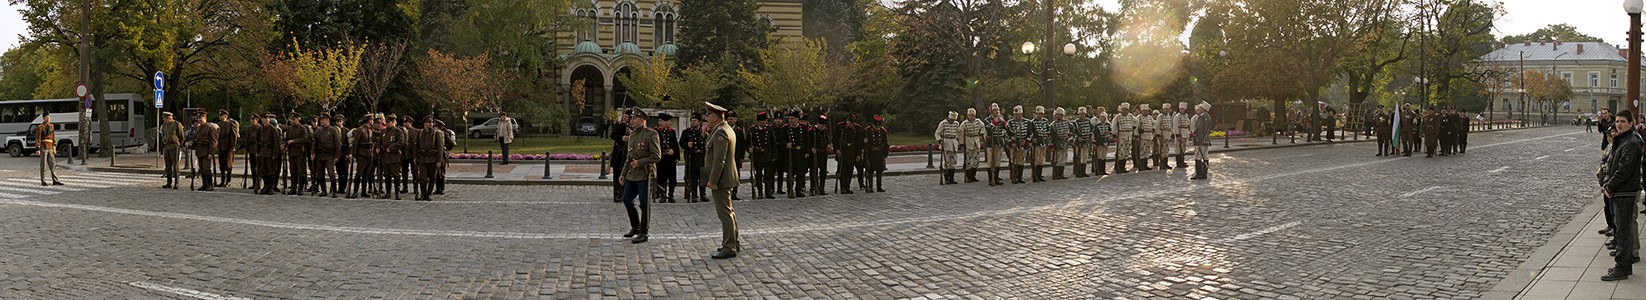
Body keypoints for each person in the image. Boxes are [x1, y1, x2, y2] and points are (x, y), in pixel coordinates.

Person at [1601, 110, 1642, 281]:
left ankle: (1622, 267)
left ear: (1631, 123)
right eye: (1617, 121)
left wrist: (1609, 186)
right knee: (1622, 229)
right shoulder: (1624, 139)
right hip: (1621, 191)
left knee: (1623, 231)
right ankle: (1624, 265)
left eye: (1623, 121)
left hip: (1624, 192)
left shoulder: (1631, 142)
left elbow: (1624, 171)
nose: (1618, 124)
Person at [703, 102, 740, 259]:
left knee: (724, 213)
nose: (706, 118)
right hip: (726, 177)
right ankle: (733, 241)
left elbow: (719, 160)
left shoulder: (721, 133)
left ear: (713, 117)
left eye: (708, 116)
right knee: (729, 211)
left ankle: (729, 246)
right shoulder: (723, 129)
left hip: (722, 179)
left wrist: (712, 180)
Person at [618, 109, 660, 243]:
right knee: (627, 199)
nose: (632, 121)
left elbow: (656, 156)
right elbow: (629, 157)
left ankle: (644, 232)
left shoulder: (651, 134)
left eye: (634, 118)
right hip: (632, 174)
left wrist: (640, 162)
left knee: (644, 204)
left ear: (642, 119)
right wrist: (623, 173)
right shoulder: (633, 135)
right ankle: (635, 226)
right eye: (631, 118)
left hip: (645, 174)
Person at [312, 115, 343, 197]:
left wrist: (337, 156)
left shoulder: (333, 131)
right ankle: (323, 191)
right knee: (320, 174)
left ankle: (334, 191)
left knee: (331, 173)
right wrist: (313, 153)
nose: (322, 121)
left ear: (328, 120)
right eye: (321, 120)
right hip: (320, 154)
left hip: (330, 154)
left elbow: (338, 144)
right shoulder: (318, 131)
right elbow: (314, 144)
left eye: (324, 120)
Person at [348, 114, 378, 199]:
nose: (373, 122)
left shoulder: (370, 130)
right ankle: (355, 191)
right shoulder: (360, 130)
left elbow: (378, 134)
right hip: (361, 154)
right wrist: (354, 154)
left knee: (366, 173)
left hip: (369, 154)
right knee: (359, 173)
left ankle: (364, 191)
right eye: (372, 120)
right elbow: (356, 143)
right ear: (369, 120)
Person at [255, 112, 285, 195]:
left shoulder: (273, 129)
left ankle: (271, 187)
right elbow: (258, 141)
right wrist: (258, 152)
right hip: (262, 152)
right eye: (264, 118)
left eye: (267, 118)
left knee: (271, 171)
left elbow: (276, 143)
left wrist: (275, 154)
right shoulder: (260, 129)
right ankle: (266, 186)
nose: (266, 120)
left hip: (270, 152)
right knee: (263, 171)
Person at [378, 114, 406, 200]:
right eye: (386, 122)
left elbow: (401, 142)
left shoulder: (398, 131)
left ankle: (397, 193)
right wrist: (379, 148)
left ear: (393, 122)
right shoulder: (383, 132)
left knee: (396, 175)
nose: (387, 123)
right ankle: (388, 192)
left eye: (389, 122)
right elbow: (380, 143)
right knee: (387, 175)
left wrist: (391, 148)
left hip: (394, 157)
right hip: (385, 157)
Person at [189, 111, 219, 191]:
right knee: (201, 168)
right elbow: (196, 138)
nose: (199, 120)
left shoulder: (210, 127)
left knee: (206, 168)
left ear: (205, 118)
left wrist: (211, 152)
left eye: (200, 118)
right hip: (200, 150)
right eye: (198, 118)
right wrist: (192, 143)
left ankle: (210, 184)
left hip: (206, 151)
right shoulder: (199, 128)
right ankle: (204, 184)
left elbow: (213, 141)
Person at [654, 113, 681, 203]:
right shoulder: (657, 132)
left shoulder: (672, 132)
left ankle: (671, 195)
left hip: (671, 159)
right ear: (664, 122)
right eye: (669, 121)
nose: (670, 123)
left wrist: (675, 153)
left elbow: (676, 145)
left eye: (670, 121)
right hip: (662, 158)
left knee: (672, 178)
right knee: (662, 177)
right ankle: (663, 195)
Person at [750, 112, 776, 198]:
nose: (766, 122)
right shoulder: (753, 130)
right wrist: (750, 149)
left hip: (767, 154)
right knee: (759, 175)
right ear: (759, 121)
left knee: (768, 175)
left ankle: (768, 192)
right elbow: (747, 142)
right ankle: (760, 192)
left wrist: (774, 155)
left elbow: (773, 142)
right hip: (758, 156)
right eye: (764, 120)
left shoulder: (769, 129)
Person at [786, 112, 811, 197]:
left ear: (797, 119)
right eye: (789, 119)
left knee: (801, 172)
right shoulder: (786, 128)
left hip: (800, 152)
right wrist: (786, 144)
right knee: (790, 172)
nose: (790, 120)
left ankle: (798, 189)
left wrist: (807, 152)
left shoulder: (803, 127)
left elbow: (807, 140)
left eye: (792, 119)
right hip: (791, 153)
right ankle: (790, 189)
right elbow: (781, 139)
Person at [836, 114, 864, 192]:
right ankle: (843, 187)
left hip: (852, 152)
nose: (851, 125)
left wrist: (858, 154)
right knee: (842, 170)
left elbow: (859, 143)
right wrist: (837, 149)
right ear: (847, 120)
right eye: (850, 122)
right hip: (843, 151)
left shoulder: (857, 129)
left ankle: (847, 186)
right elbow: (835, 139)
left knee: (850, 170)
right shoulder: (840, 127)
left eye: (852, 123)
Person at [984, 104, 1010, 186]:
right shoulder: (987, 120)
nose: (997, 112)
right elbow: (988, 129)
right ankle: (991, 178)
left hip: (999, 142)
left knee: (998, 161)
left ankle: (996, 177)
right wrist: (995, 121)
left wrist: (1004, 122)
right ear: (991, 111)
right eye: (995, 110)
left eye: (997, 110)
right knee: (990, 161)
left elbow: (1008, 128)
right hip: (991, 142)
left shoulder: (1001, 119)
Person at [681, 114, 704, 202]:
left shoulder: (704, 131)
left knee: (703, 175)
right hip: (692, 157)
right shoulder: (687, 132)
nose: (693, 122)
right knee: (693, 176)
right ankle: (694, 194)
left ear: (699, 122)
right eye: (692, 120)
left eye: (694, 121)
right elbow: (681, 142)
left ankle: (703, 194)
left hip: (702, 156)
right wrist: (687, 144)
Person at [35, 114, 62, 186]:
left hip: (50, 146)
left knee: (53, 164)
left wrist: (54, 144)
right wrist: (38, 147)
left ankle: (55, 180)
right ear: (44, 118)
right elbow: (38, 137)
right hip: (43, 146)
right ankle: (43, 181)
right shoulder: (40, 127)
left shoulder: (51, 126)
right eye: (47, 117)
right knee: (43, 165)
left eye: (49, 117)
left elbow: (53, 135)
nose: (49, 118)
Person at [1006, 106, 1031, 184]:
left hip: (1023, 143)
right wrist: (1011, 142)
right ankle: (1014, 176)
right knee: (1013, 160)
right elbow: (1007, 134)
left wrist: (1026, 141)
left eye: (1018, 114)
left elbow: (1030, 133)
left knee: (1021, 161)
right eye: (1015, 114)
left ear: (1021, 114)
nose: (1016, 116)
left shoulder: (1027, 122)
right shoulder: (1010, 122)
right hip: (1014, 143)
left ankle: (1020, 176)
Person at [609, 113, 631, 202]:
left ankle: (624, 193)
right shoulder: (620, 125)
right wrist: (622, 138)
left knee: (626, 174)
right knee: (618, 173)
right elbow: (613, 135)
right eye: (624, 116)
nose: (625, 118)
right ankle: (617, 194)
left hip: (628, 153)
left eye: (627, 116)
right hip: (619, 153)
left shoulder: (632, 127)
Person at [160, 112, 185, 189]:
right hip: (167, 146)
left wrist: (180, 145)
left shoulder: (177, 124)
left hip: (175, 146)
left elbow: (182, 136)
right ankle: (169, 182)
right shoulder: (164, 125)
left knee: (175, 165)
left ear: (170, 118)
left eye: (165, 118)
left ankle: (176, 182)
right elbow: (163, 134)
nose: (165, 119)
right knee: (168, 166)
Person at [959, 109, 985, 183]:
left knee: (976, 160)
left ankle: (973, 176)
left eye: (973, 115)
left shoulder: (978, 121)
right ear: (968, 115)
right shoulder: (964, 123)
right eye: (970, 115)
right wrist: (962, 144)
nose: (971, 117)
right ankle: (968, 176)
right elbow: (961, 134)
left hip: (976, 140)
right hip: (968, 141)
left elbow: (983, 127)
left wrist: (981, 134)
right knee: (968, 160)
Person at [935, 111, 961, 185]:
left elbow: (958, 132)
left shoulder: (956, 124)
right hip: (946, 142)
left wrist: (958, 139)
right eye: (951, 120)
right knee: (947, 162)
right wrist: (940, 140)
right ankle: (947, 178)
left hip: (954, 142)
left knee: (953, 161)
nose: (952, 121)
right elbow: (937, 133)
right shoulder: (943, 123)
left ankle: (952, 178)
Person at [215, 110, 239, 187]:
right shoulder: (219, 125)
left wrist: (232, 146)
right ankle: (222, 181)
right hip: (221, 147)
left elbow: (233, 136)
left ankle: (228, 181)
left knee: (228, 165)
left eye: (221, 115)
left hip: (228, 147)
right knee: (221, 165)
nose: (220, 117)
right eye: (220, 115)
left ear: (225, 116)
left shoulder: (230, 124)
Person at [866, 115, 889, 192]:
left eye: (878, 126)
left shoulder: (883, 131)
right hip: (871, 152)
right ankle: (870, 186)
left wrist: (885, 154)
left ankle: (879, 186)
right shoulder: (867, 131)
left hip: (879, 153)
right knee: (870, 170)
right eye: (875, 126)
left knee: (879, 170)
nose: (877, 127)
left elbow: (885, 144)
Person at [1191, 102, 1212, 180]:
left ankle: (1200, 173)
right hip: (1204, 139)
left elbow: (1201, 130)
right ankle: (1203, 173)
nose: (1198, 109)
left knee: (1198, 156)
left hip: (1201, 140)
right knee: (1204, 156)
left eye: (1200, 108)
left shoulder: (1203, 117)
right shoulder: (1206, 117)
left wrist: (1198, 139)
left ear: (1204, 109)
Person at [1049, 107, 1071, 180]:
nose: (1058, 116)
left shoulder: (1066, 122)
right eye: (1057, 114)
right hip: (1057, 143)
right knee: (1057, 160)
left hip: (1064, 143)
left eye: (1060, 114)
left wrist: (1070, 137)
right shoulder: (1053, 125)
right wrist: (1051, 145)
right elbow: (1050, 136)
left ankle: (1061, 174)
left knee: (1063, 160)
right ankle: (1056, 174)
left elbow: (1073, 129)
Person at [1030, 106, 1051, 182]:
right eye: (1038, 114)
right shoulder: (1032, 122)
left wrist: (1047, 135)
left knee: (1041, 159)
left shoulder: (1045, 121)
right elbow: (1030, 132)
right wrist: (1032, 139)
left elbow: (1048, 129)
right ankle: (1035, 175)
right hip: (1036, 143)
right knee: (1036, 159)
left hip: (1043, 142)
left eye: (1041, 114)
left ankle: (1039, 174)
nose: (1040, 115)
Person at [1071, 107, 1094, 178]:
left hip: (1086, 141)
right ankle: (1078, 172)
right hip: (1078, 142)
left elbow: (1092, 129)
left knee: (1085, 157)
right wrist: (1077, 137)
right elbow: (1073, 132)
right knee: (1079, 157)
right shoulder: (1075, 123)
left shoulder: (1088, 121)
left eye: (1083, 114)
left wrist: (1090, 135)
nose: (1081, 115)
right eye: (1080, 114)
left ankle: (1083, 171)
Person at [1092, 108, 1112, 176]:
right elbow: (1094, 135)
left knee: (1104, 156)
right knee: (1099, 157)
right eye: (1101, 117)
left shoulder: (1108, 125)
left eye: (1104, 117)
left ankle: (1103, 170)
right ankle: (1099, 170)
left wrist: (1111, 137)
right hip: (1099, 142)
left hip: (1105, 142)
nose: (1102, 118)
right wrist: (1094, 143)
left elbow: (1111, 132)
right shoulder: (1097, 126)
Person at [1137, 104, 1157, 171]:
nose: (1145, 112)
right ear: (1141, 111)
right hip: (1143, 135)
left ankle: (1145, 165)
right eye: (1144, 111)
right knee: (1142, 151)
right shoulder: (1139, 117)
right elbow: (1136, 126)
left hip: (1149, 135)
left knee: (1147, 151)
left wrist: (1153, 128)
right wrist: (1138, 132)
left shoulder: (1150, 117)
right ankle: (1141, 165)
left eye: (1146, 111)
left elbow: (1155, 123)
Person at [1174, 102, 1192, 168]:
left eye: (1183, 109)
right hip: (1180, 132)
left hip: (1185, 132)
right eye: (1181, 109)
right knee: (1178, 148)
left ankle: (1182, 161)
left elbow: (1188, 123)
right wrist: (1177, 135)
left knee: (1184, 148)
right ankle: (1179, 162)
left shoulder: (1186, 116)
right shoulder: (1177, 116)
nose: (1182, 110)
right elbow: (1175, 126)